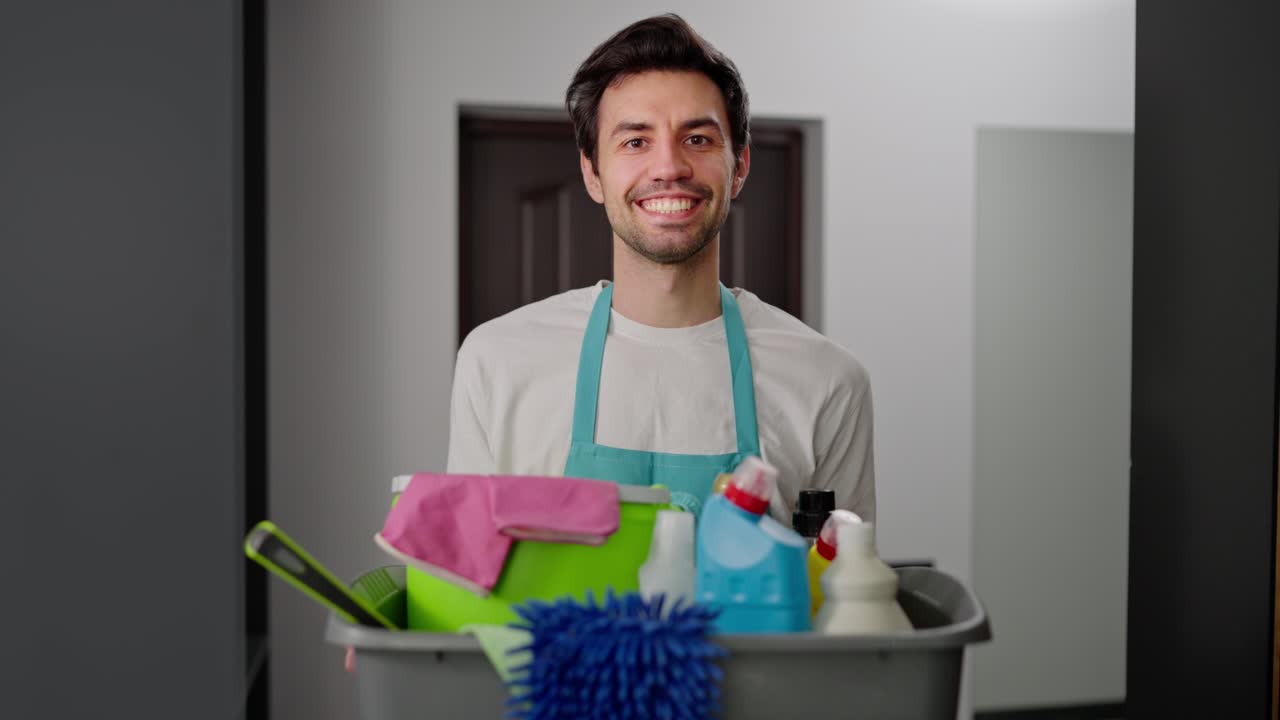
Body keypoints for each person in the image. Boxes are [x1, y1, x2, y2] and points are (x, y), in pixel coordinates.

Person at [447, 13, 875, 524]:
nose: (669, 167)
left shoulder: (827, 382)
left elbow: (844, 572)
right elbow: (463, 569)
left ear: (739, 166)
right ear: (592, 173)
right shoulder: (497, 362)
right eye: (635, 141)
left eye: (698, 139)